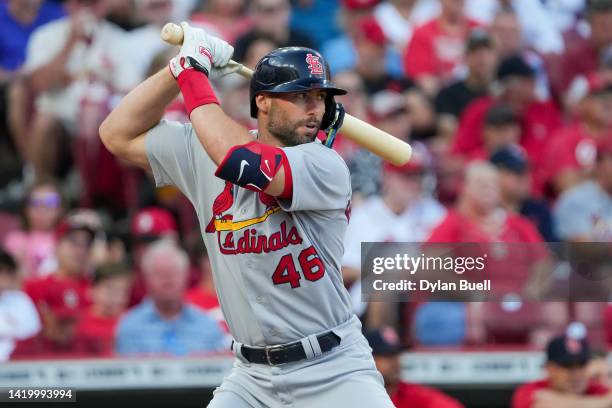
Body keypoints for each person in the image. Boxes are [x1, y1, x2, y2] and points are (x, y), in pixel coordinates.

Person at [100, 20, 395, 407]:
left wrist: (195, 72)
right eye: (300, 96)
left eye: (320, 97)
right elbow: (115, 134)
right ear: (264, 102)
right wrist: (177, 70)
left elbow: (240, 160)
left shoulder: (324, 164)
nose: (314, 109)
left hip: (333, 369)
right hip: (251, 377)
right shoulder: (201, 147)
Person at [114, 241, 226, 356]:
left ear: (186, 275)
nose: (167, 280)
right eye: (160, 274)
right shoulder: (129, 327)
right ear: (146, 278)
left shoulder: (208, 326)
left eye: (173, 273)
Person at [16, 212, 97, 355]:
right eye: (73, 242)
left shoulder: (96, 287)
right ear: (57, 245)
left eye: (86, 244)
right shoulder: (35, 286)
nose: (80, 250)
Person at [364, 327, 464, 408]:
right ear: (368, 359)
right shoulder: (357, 394)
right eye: (388, 355)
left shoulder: (411, 394)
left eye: (397, 355)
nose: (396, 362)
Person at [512, 332, 612, 408]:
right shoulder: (530, 390)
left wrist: (605, 379)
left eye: (581, 365)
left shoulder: (595, 388)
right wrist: (604, 401)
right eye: (568, 366)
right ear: (549, 368)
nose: (576, 374)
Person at [435, 29, 497, 138]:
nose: (482, 57)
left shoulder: (502, 94)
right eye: (475, 51)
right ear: (465, 57)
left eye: (487, 51)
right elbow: (448, 130)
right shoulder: (449, 94)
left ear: (495, 57)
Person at [3, 179, 65, 278]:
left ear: (61, 208)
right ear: (25, 208)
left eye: (50, 202)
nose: (42, 209)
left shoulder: (67, 240)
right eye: (35, 202)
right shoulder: (15, 239)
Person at [74, 262, 132, 355]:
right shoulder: (76, 323)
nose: (116, 296)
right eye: (110, 289)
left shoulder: (133, 322)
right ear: (92, 290)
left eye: (122, 291)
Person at [0, 249, 40, 361]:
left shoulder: (21, 300)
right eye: (0, 270)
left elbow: (33, 336)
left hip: (20, 366)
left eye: (8, 271)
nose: (3, 276)